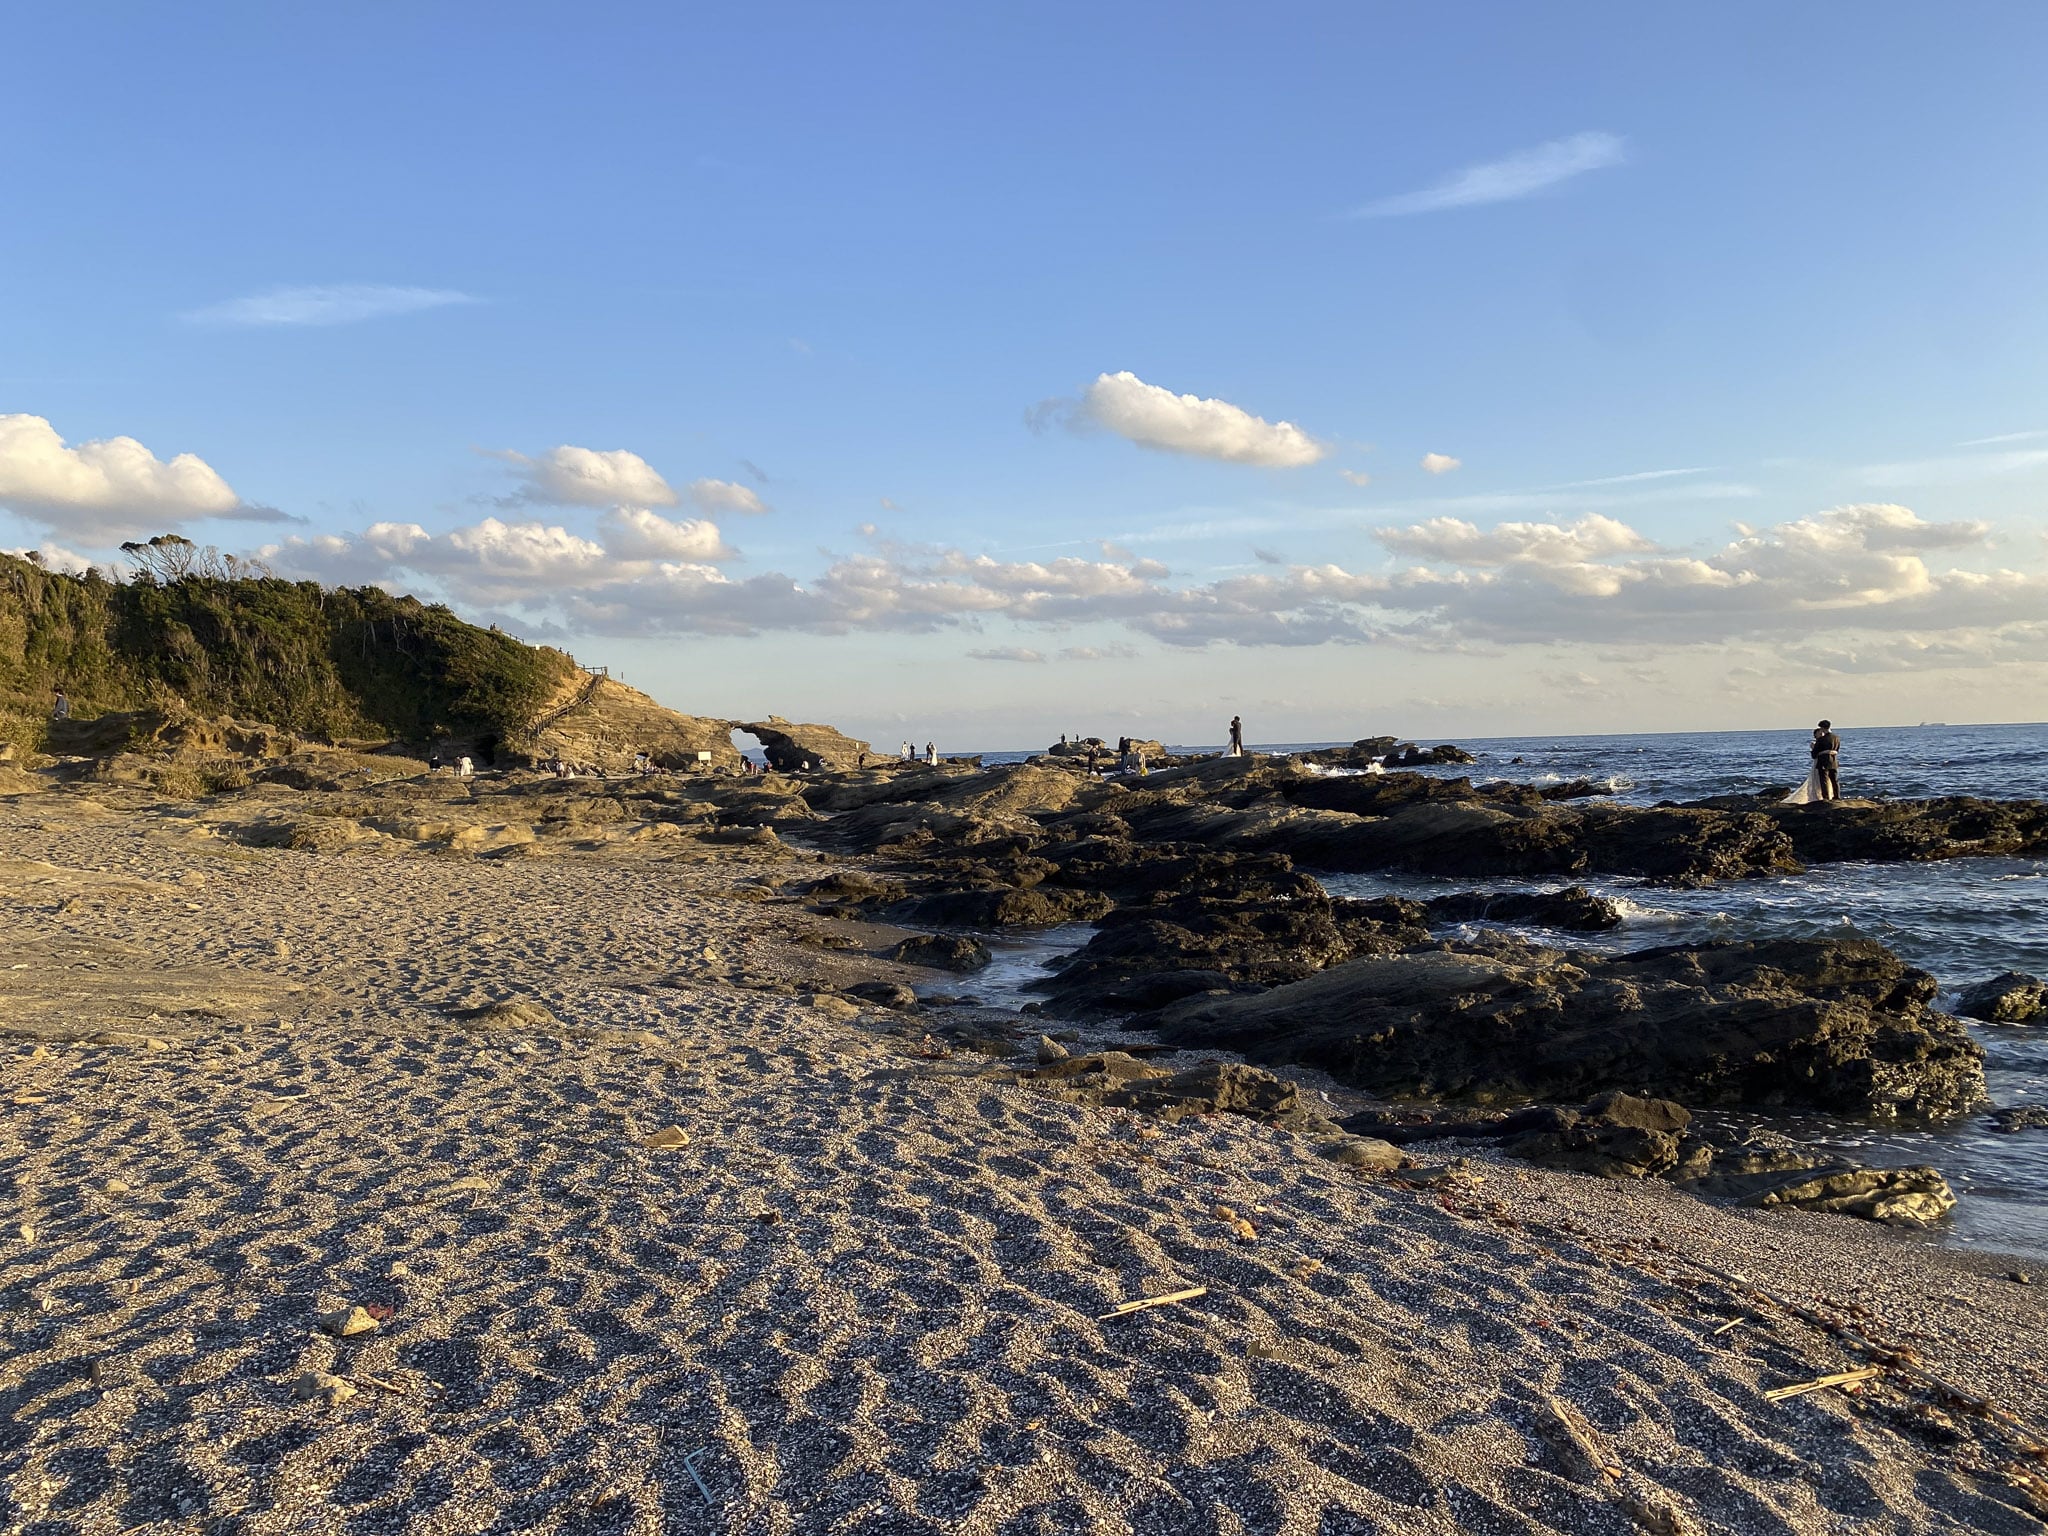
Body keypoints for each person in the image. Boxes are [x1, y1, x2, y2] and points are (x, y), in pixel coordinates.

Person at [1812, 719, 1841, 801]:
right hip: (1834, 761)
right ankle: (1837, 796)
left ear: (1822, 728)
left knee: (1824, 780)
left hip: (1823, 761)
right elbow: (1837, 749)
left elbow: (1814, 754)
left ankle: (1826, 797)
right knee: (1834, 780)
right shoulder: (1837, 738)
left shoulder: (1821, 739)